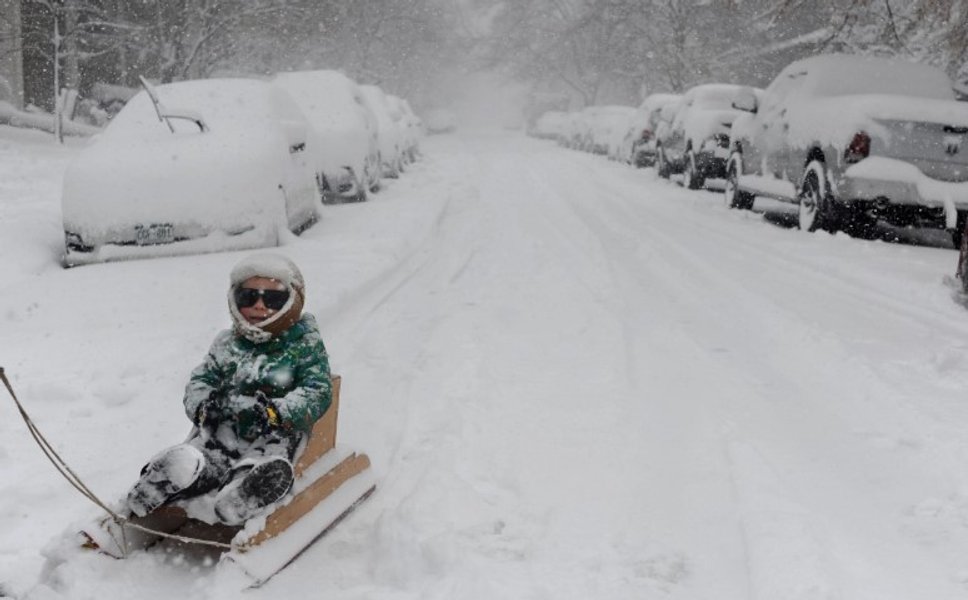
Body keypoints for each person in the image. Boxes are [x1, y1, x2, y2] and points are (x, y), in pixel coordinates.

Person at [125, 253, 332, 525]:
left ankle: (245, 491)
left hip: (273, 432)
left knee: (266, 457)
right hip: (223, 427)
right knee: (208, 455)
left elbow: (317, 389)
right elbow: (201, 380)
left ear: (292, 303)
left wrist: (276, 412)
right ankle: (178, 475)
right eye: (248, 297)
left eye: (272, 299)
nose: (259, 306)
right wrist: (204, 405)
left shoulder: (303, 345)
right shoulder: (226, 344)